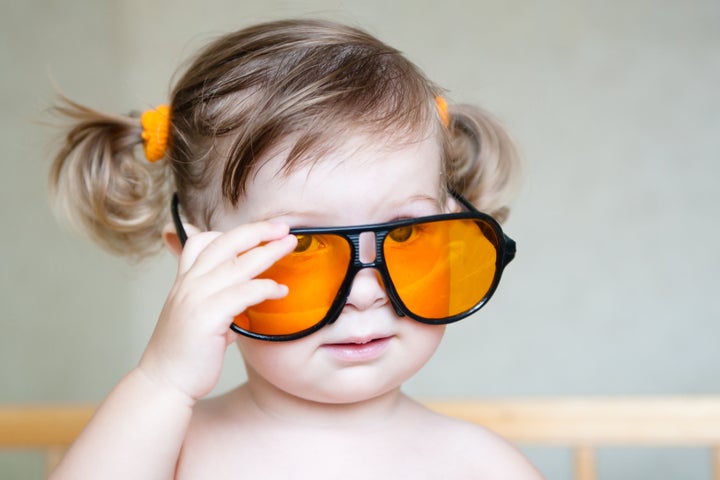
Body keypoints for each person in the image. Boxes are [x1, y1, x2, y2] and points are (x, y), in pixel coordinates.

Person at [48, 18, 542, 479]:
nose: (366, 292)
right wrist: (163, 380)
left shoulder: (481, 465)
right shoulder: (168, 451)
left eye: (406, 234)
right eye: (303, 245)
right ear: (194, 263)